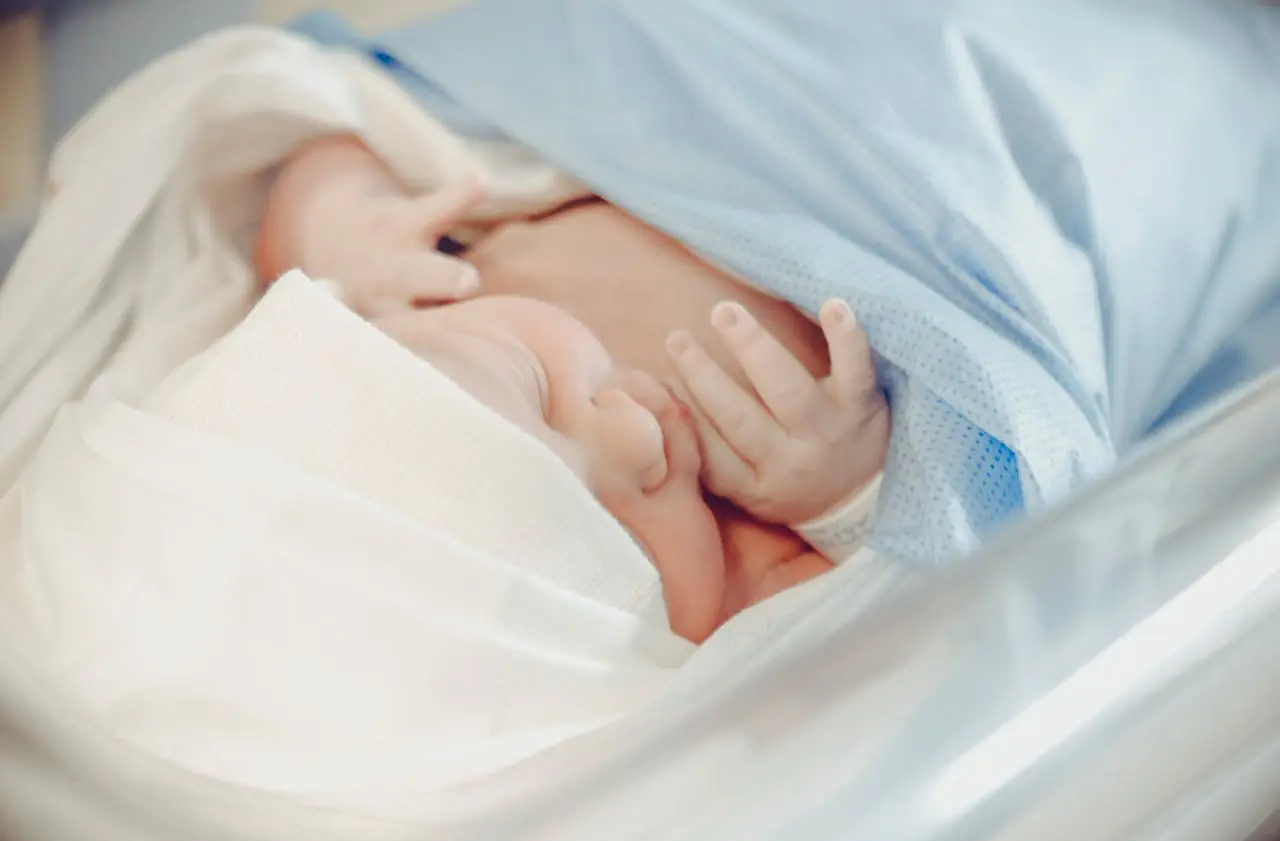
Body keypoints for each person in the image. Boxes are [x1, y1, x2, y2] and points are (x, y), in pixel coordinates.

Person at [255, 134, 893, 642]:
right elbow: (883, 616)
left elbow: (319, 134)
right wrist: (843, 502)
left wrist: (344, 239)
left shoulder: (416, 299)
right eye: (626, 546)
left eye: (538, 385)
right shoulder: (734, 585)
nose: (637, 435)